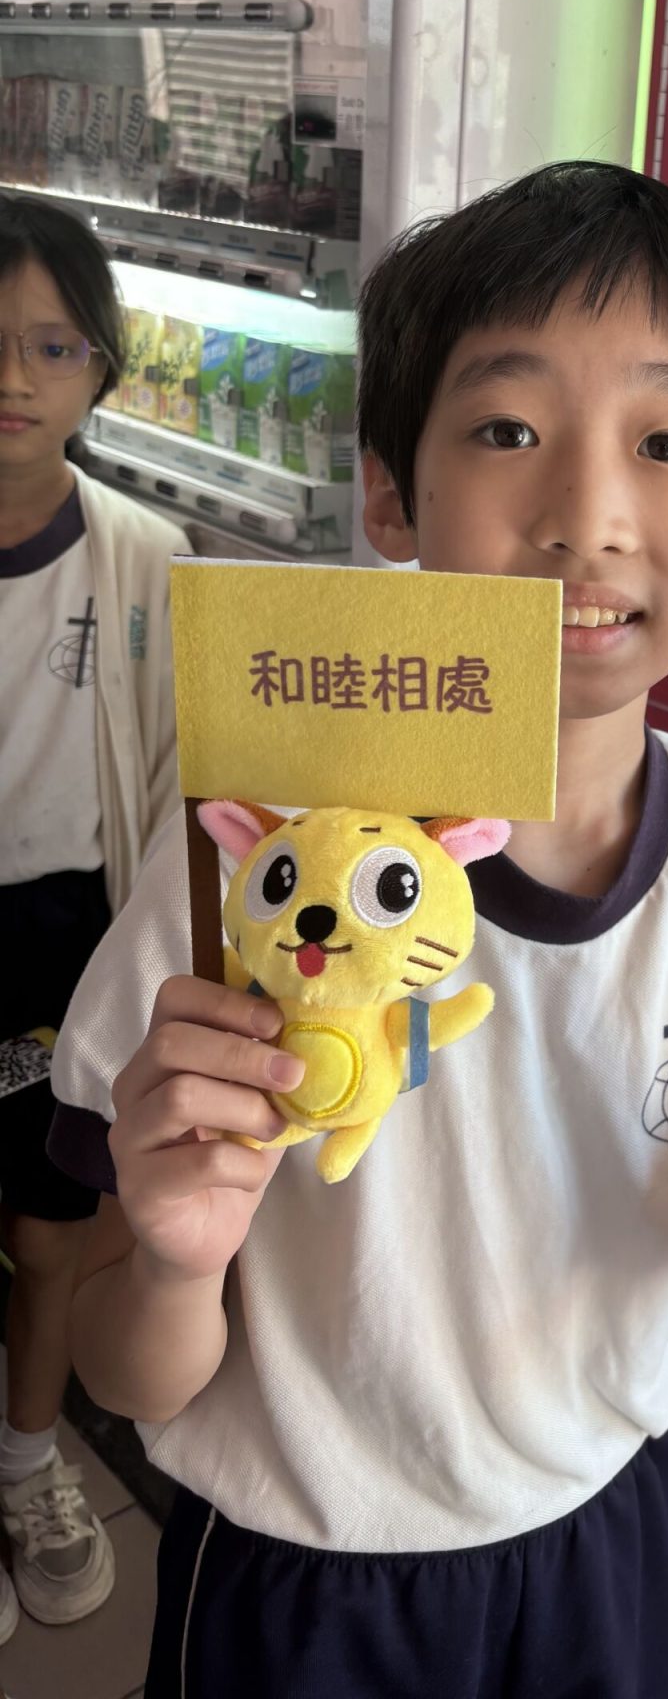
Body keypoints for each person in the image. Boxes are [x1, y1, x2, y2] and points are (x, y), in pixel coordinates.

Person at [48, 162, 668, 1697]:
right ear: (390, 495)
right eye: (505, 430)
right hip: (299, 1579)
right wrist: (168, 1266)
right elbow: (121, 1365)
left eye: (665, 444)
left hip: (597, 1552)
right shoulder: (257, 863)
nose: (585, 518)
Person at [0, 194, 181, 1641]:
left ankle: (27, 1463)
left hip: (65, 941)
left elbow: (178, 783)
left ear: (101, 369)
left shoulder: (142, 557)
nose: (14, 377)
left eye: (52, 346)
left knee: (57, 1234)